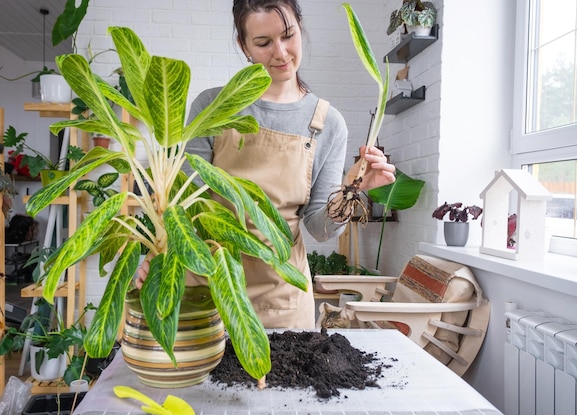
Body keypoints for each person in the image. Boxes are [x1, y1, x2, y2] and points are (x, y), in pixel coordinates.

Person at [137, 0, 396, 329]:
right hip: (206, 289)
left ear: (301, 28)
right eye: (263, 43)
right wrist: (155, 253)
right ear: (243, 45)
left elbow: (319, 228)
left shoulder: (327, 123)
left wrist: (353, 188)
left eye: (288, 35)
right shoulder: (213, 107)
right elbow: (183, 204)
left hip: (281, 299)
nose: (281, 52)